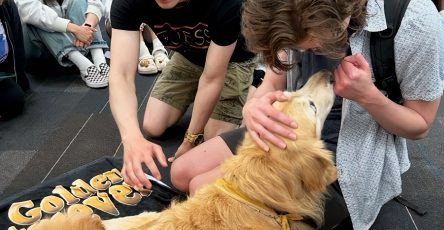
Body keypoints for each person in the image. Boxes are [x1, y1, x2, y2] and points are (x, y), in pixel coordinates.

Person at [170, 0, 444, 229]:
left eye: (312, 48)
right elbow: (273, 82)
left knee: (201, 187)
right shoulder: (284, 10)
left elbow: (420, 125)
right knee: (181, 173)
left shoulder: (416, 23)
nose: (306, 54)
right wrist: (253, 106)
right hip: (289, 128)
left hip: (345, 156)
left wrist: (368, 96)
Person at [109, 0, 256, 190]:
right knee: (152, 126)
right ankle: (197, 92)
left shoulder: (227, 3)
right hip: (187, 55)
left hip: (233, 60)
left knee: (212, 139)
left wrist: (191, 138)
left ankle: (254, 87)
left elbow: (212, 77)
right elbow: (120, 75)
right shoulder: (127, 3)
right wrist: (131, 138)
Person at [15, 0, 109, 88]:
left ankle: (99, 61)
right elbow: (32, 12)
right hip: (40, 51)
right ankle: (85, 66)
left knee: (79, 1)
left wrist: (87, 27)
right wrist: (76, 29)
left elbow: (95, 2)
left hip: (76, 43)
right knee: (39, 18)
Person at [102, 0, 169, 75]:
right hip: (120, 26)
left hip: (146, 24)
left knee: (148, 10)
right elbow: (112, 11)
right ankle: (143, 54)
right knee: (130, 15)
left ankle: (159, 49)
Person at [0, 0, 29, 120]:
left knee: (15, 98)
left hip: (3, 73)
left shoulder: (8, 6)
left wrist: (20, 81)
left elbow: (18, 49)